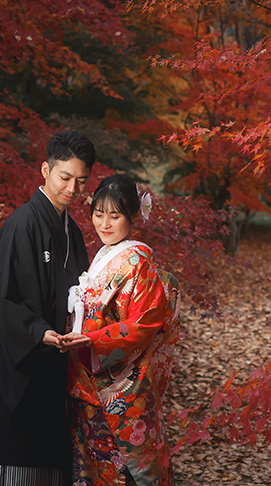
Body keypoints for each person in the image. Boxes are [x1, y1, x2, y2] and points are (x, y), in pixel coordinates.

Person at [0, 130, 95, 486]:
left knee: (52, 464)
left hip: (57, 363)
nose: (73, 189)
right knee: (18, 462)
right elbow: (3, 299)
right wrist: (38, 332)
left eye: (81, 181)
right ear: (45, 169)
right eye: (65, 177)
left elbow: (83, 293)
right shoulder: (21, 225)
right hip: (22, 364)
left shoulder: (72, 232)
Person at [67, 174, 179, 486]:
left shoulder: (137, 262)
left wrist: (90, 340)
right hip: (88, 381)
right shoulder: (105, 256)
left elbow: (142, 325)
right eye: (98, 214)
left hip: (118, 385)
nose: (105, 223)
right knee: (93, 467)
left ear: (132, 216)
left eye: (114, 216)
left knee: (123, 472)